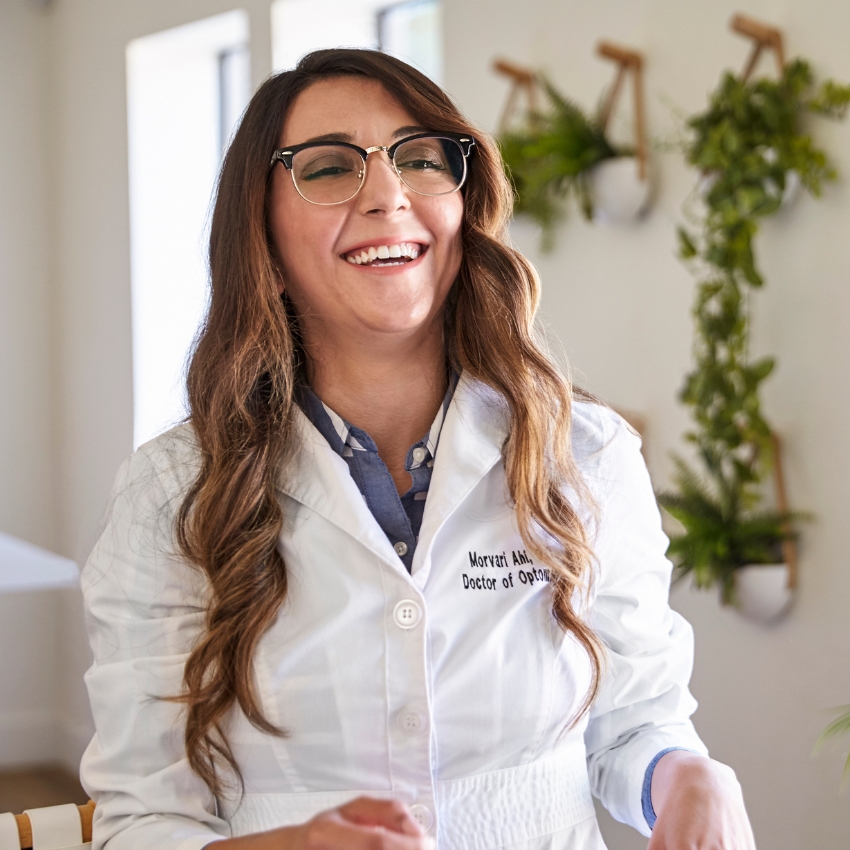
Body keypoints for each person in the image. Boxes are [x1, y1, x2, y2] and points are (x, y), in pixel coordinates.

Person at [79, 49, 757, 850]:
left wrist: (687, 776)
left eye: (421, 158)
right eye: (328, 168)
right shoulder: (173, 494)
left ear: (463, 205)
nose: (387, 194)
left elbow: (635, 722)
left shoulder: (585, 453)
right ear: (258, 227)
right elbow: (143, 818)